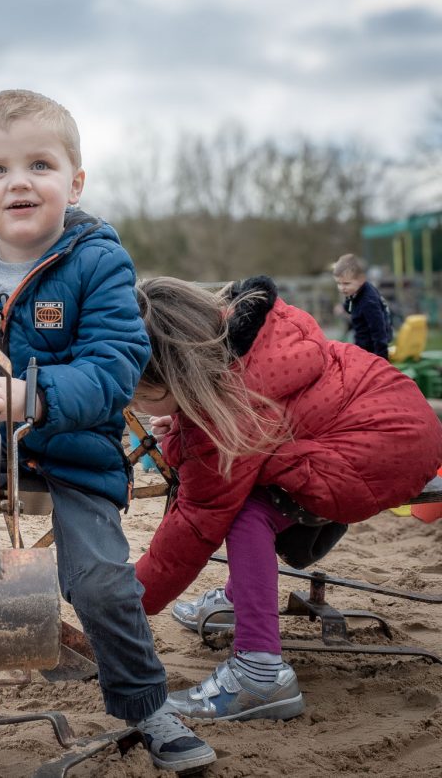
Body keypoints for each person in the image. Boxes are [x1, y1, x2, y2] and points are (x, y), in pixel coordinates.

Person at [0, 89, 217, 774]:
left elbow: (115, 364)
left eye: (40, 164)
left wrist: (33, 396)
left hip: (75, 445)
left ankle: (146, 704)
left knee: (100, 581)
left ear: (76, 181)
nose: (20, 182)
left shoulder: (98, 262)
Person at [132, 275, 442, 724]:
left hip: (375, 449)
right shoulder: (250, 337)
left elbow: (194, 525)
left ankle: (259, 673)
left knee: (243, 508)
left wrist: (128, 604)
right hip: (398, 413)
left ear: (174, 380)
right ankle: (242, 598)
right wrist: (182, 425)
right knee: (241, 475)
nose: (133, 401)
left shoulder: (230, 412)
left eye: (139, 393)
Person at [333, 253, 391, 359]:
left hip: (372, 346)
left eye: (346, 283)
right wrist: (343, 307)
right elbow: (350, 302)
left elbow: (379, 331)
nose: (342, 288)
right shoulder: (354, 291)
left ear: (361, 280)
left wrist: (382, 359)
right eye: (338, 283)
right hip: (361, 336)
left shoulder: (369, 302)